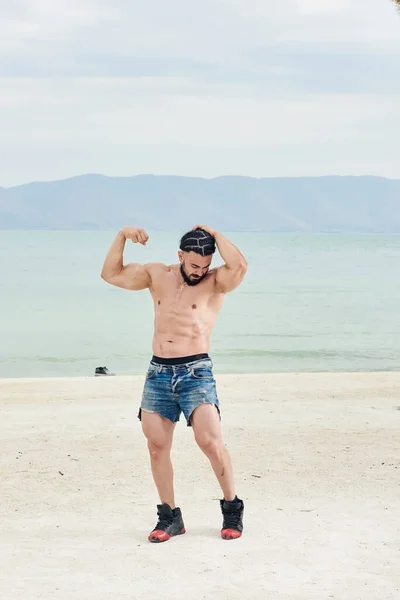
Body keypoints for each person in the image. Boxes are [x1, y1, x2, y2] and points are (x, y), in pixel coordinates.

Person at [100, 224, 248, 543]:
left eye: (205, 264)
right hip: (159, 373)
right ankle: (170, 517)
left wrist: (215, 233)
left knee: (210, 442)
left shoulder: (215, 281)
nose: (200, 271)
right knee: (156, 447)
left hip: (196, 371)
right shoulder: (157, 275)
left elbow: (240, 265)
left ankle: (232, 506)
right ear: (180, 255)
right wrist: (122, 236)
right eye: (194, 264)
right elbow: (110, 274)